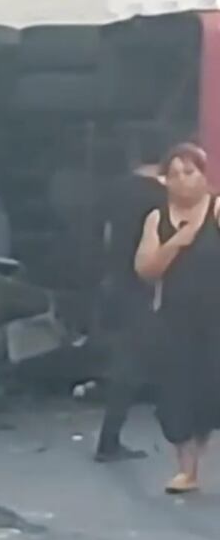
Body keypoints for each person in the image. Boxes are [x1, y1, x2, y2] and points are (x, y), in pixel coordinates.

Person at [135, 142, 220, 493]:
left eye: (190, 172)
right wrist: (177, 241)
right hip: (176, 321)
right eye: (175, 174)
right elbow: (145, 269)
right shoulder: (158, 219)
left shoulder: (216, 209)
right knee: (178, 394)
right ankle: (187, 471)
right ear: (164, 181)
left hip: (216, 319)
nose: (183, 181)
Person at [95, 136, 166, 462]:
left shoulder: (116, 189)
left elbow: (107, 236)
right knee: (132, 363)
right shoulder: (160, 197)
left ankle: (110, 439)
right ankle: (108, 442)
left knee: (131, 358)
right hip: (149, 286)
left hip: (119, 282)